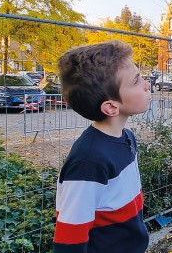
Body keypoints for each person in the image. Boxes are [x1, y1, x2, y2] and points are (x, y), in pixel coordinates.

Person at [53, 40, 151, 253]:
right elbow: (69, 239)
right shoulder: (89, 161)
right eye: (135, 81)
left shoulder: (126, 137)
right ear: (111, 107)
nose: (146, 84)